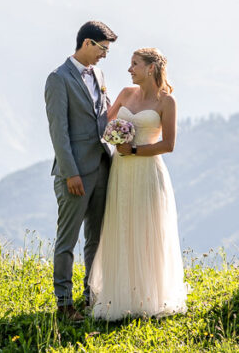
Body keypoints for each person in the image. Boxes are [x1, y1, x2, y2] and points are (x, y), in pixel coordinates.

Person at [89, 47, 188, 320]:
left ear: (150, 69)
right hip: (120, 172)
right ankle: (120, 295)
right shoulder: (125, 93)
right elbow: (105, 125)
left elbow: (168, 145)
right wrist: (114, 136)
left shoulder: (167, 102)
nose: (130, 69)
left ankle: (147, 297)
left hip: (147, 171)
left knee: (146, 231)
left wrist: (133, 151)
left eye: (135, 64)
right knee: (121, 227)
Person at [44, 20, 118, 322]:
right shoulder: (57, 79)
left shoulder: (99, 75)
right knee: (67, 240)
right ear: (87, 43)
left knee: (96, 237)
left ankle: (91, 296)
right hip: (74, 172)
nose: (104, 55)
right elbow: (58, 132)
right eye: (102, 49)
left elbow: (105, 112)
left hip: (102, 166)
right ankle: (63, 303)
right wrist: (70, 172)